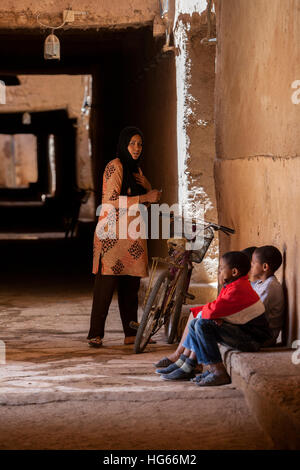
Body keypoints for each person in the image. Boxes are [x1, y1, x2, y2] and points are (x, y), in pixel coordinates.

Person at [87, 126, 161, 347]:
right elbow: (109, 202)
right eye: (132, 143)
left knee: (131, 287)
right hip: (111, 237)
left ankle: (131, 334)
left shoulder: (135, 170)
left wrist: (148, 189)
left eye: (140, 144)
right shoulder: (115, 166)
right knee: (106, 286)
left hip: (132, 236)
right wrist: (146, 195)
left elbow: (149, 198)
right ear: (123, 144)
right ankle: (95, 334)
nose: (136, 148)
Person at [156, 251, 272, 386]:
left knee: (202, 325)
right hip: (244, 332)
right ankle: (187, 363)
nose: (219, 272)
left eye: (221, 269)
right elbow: (216, 308)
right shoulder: (232, 285)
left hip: (252, 340)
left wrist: (213, 315)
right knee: (196, 323)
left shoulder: (238, 289)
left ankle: (218, 372)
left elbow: (211, 311)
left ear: (234, 272)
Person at [250, 245, 285, 345]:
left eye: (253, 263)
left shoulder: (270, 287)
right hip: (256, 331)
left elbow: (253, 313)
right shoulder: (260, 283)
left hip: (264, 337)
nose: (251, 265)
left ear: (265, 267)